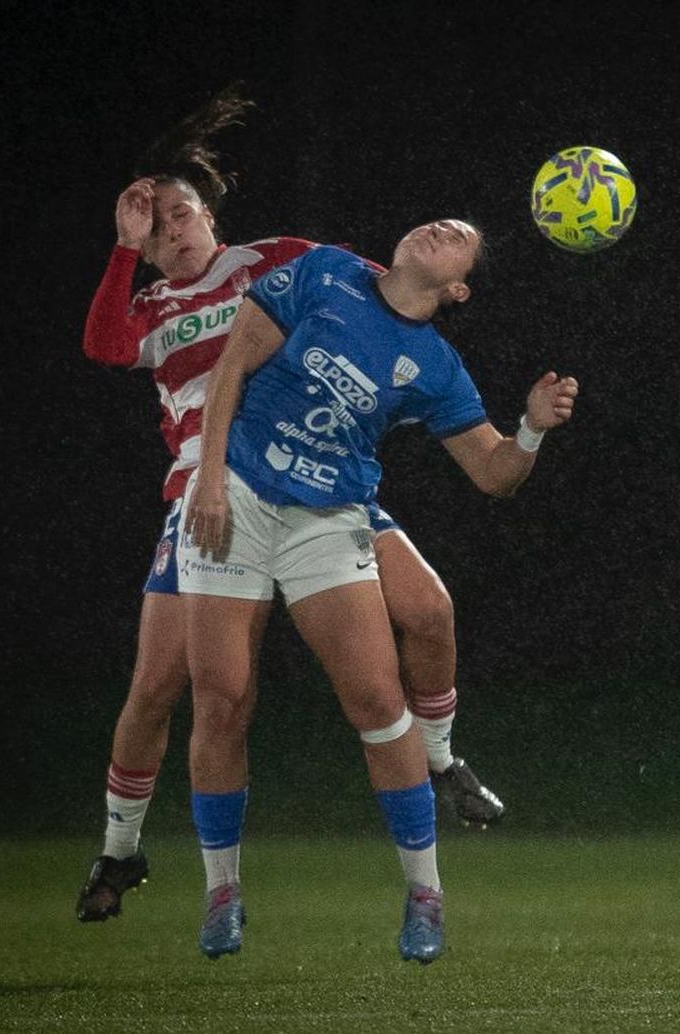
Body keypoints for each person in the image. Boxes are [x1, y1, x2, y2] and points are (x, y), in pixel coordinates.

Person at [75, 86, 503, 927]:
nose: (172, 231)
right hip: (209, 498)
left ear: (211, 217)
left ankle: (442, 761)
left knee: (429, 610)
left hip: (318, 485)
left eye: (181, 214)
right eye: (155, 225)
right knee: (160, 689)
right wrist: (123, 252)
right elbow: (104, 347)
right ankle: (121, 850)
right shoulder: (151, 310)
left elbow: (370, 288)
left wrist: (428, 317)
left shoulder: (272, 262)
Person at [180, 217, 578, 962]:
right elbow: (232, 364)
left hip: (327, 519)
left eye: (460, 236)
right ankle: (222, 890)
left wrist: (529, 429)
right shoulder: (325, 272)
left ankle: (426, 894)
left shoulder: (435, 364)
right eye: (439, 220)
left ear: (456, 287)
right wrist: (206, 479)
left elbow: (494, 474)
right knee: (222, 697)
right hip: (234, 496)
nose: (443, 227)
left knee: (377, 701)